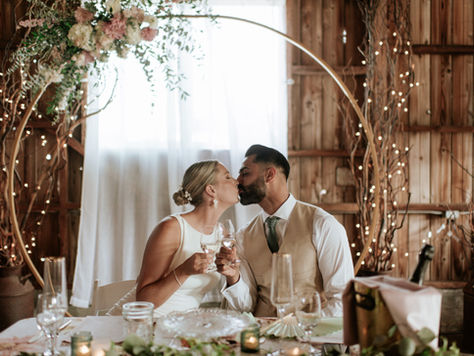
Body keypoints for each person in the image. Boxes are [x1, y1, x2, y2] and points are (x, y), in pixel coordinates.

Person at [216, 144, 354, 317]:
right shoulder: (243, 235)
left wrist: (304, 328)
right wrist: (233, 277)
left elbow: (342, 299)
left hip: (312, 337)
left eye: (245, 173)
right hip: (263, 337)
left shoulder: (322, 224)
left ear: (269, 175)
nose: (238, 181)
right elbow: (246, 306)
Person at [136, 160, 239, 317]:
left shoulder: (221, 233)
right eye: (227, 177)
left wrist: (231, 273)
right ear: (211, 190)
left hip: (183, 326)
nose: (236, 181)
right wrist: (184, 270)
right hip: (146, 323)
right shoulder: (172, 228)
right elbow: (143, 300)